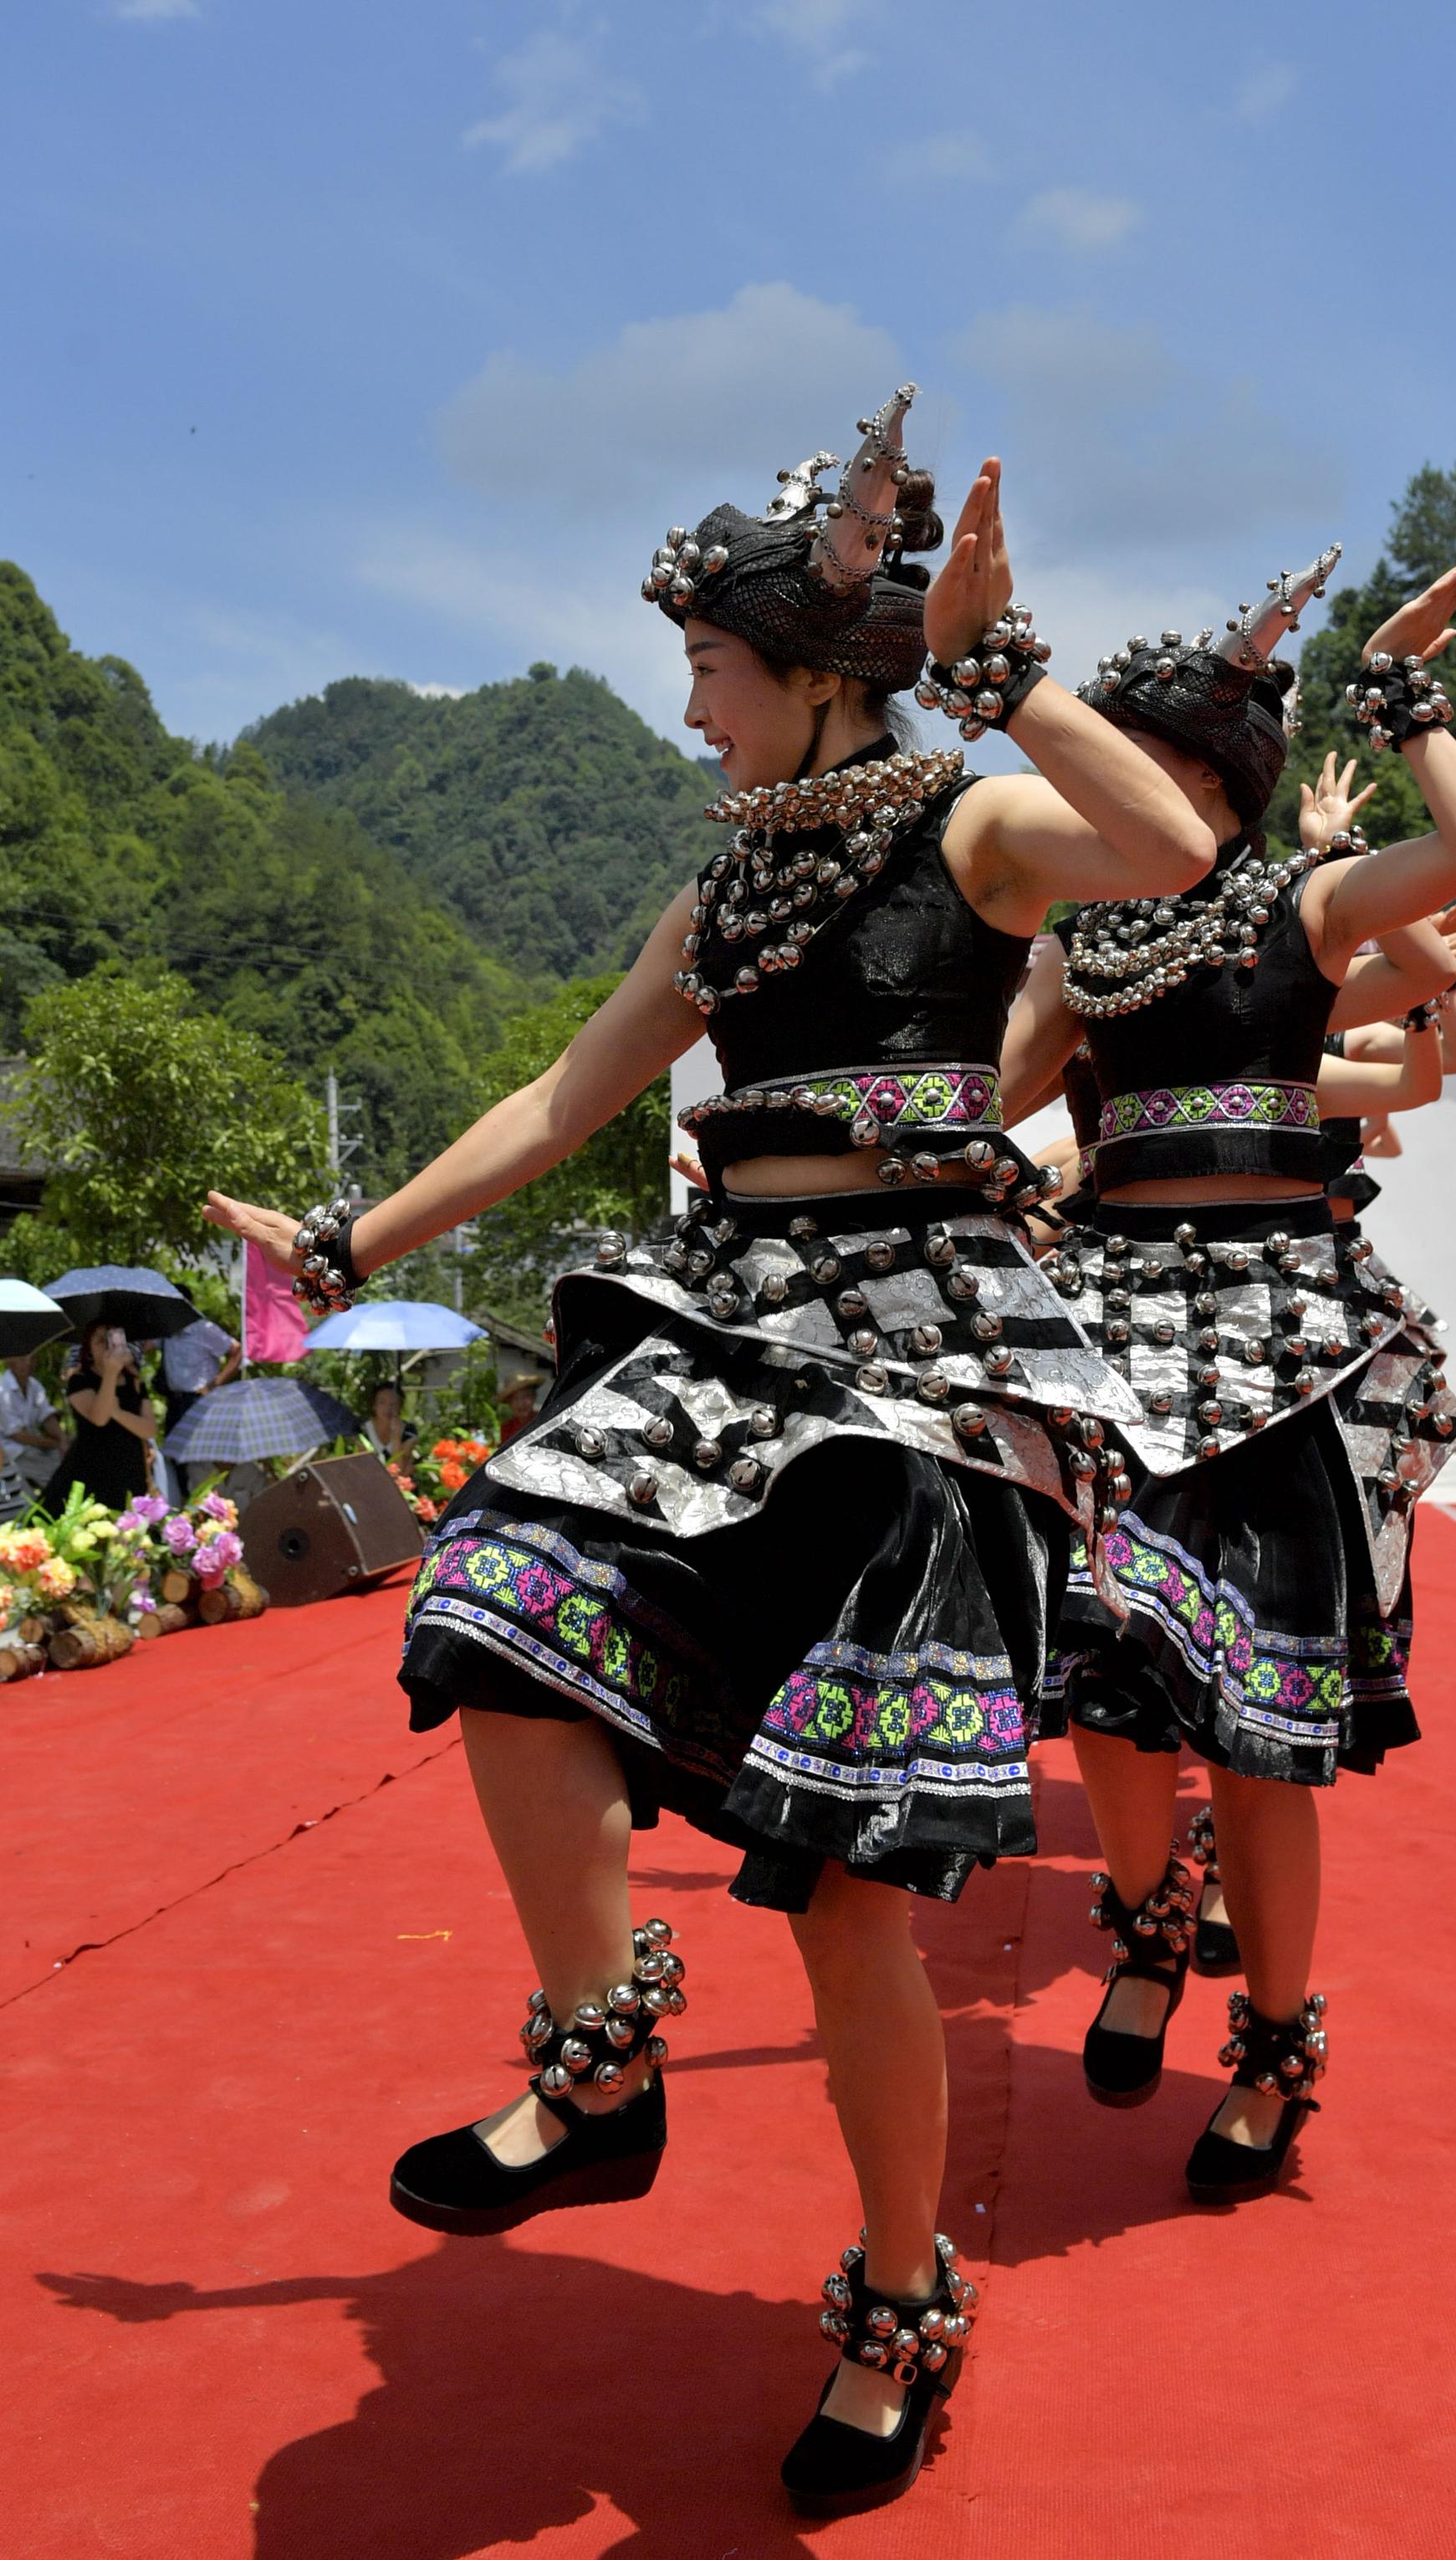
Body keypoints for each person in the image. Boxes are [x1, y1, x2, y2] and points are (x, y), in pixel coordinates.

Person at [206, 388, 1215, 2517]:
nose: (685, 711)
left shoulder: (971, 830)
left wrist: (1003, 670)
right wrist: (335, 1240)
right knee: (491, 1603)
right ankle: (600, 2060)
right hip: (732, 1330)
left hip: (916, 1373)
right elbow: (557, 1106)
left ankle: (893, 2296)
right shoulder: (719, 906)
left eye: (708, 671)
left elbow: (1170, 856)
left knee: (853, 1895)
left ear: (818, 676)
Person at [999, 549, 1456, 2208]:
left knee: (1267, 1724)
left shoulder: (1300, 911)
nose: (1128, 788)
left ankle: (1275, 2042)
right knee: (1105, 1671)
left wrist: (1400, 686)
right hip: (1117, 1323)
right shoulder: (1080, 948)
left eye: (1158, 763)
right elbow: (974, 1107)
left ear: (1211, 781)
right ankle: (1148, 1921)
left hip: (1284, 1334)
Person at [38, 1322, 157, 1514]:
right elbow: (99, 1418)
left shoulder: (134, 1380)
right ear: (88, 1349)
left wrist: (118, 1413)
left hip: (129, 1467)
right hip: (92, 1469)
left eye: (110, 1338)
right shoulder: (79, 1380)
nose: (106, 1344)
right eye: (100, 1340)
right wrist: (110, 1373)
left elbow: (150, 1429)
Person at [157, 1315, 240, 1438]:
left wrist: (215, 1383)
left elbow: (239, 1351)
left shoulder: (204, 1329)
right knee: (174, 1451)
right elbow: (143, 1346)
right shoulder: (166, 1332)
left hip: (199, 1400)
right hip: (175, 1402)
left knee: (201, 1449)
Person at [0, 1346, 68, 1491]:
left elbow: (47, 1416)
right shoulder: (2, 1389)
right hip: (12, 1451)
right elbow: (17, 1435)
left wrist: (62, 1440)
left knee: (64, 1458)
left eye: (31, 1358)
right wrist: (54, 1443)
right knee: (54, 1473)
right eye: (22, 1359)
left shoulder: (34, 1385)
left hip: (32, 1446)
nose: (27, 1363)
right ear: (9, 1362)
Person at [365, 1381, 416, 1464]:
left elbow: (400, 1468)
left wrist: (396, 1438)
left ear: (400, 1406)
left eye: (393, 1404)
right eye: (382, 1402)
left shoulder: (409, 1431)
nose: (388, 1408)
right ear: (374, 1405)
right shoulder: (362, 1430)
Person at [497, 1372, 540, 1444]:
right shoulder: (507, 1428)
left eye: (525, 1396)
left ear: (533, 1397)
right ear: (509, 1403)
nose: (520, 1403)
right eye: (515, 1399)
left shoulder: (544, 1420)